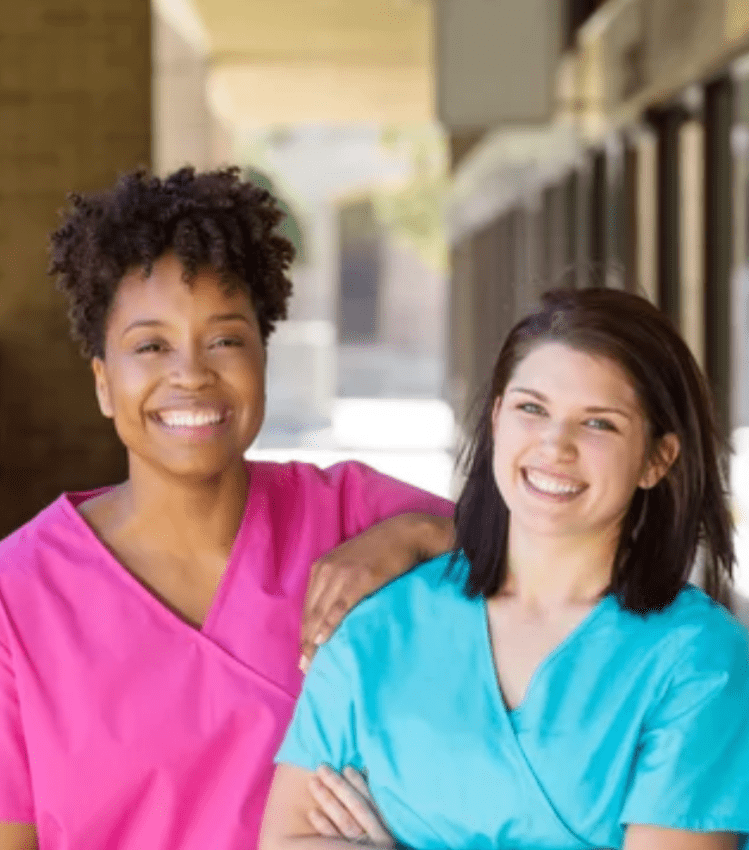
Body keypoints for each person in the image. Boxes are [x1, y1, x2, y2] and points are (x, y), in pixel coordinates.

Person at [0, 167, 454, 850]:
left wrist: (418, 536)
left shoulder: (355, 518)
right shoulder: (18, 594)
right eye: (150, 345)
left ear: (262, 360)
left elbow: (568, 567)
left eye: (225, 339)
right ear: (102, 382)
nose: (191, 373)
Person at [261, 287, 749, 850]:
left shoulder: (698, 660)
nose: (555, 445)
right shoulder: (379, 627)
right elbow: (287, 838)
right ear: (496, 419)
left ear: (657, 459)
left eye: (599, 424)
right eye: (531, 408)